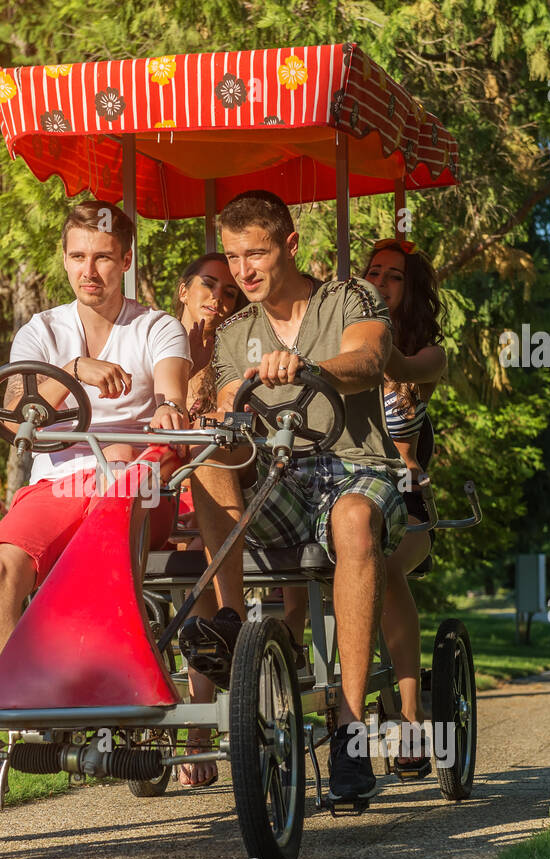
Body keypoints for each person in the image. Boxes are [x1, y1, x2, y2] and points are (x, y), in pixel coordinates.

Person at [0, 200, 192, 813]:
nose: (91, 271)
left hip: (136, 483)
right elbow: (14, 410)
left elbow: (171, 393)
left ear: (126, 260)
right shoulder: (42, 332)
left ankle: (115, 683)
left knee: (114, 514)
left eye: (104, 257)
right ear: (63, 259)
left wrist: (164, 408)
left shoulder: (156, 327)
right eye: (78, 256)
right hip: (59, 484)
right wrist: (73, 370)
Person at [180, 189, 406, 806]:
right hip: (280, 479)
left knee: (356, 519)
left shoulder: (346, 297)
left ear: (290, 245)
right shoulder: (236, 332)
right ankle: (229, 619)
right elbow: (226, 401)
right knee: (211, 447)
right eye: (232, 257)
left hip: (356, 466)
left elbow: (369, 357)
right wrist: (217, 399)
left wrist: (309, 370)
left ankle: (350, 727)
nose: (244, 271)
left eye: (256, 253)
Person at [363, 238, 446, 769]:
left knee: (384, 567)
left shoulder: (427, 356)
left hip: (407, 506)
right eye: (372, 272)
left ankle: (412, 718)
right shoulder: (341, 338)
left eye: (393, 276)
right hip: (345, 495)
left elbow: (394, 367)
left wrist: (366, 341)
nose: (380, 281)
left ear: (409, 289)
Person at [167, 253, 246, 787]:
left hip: (219, 492)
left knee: (201, 584)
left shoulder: (237, 352)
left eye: (230, 293)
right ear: (183, 289)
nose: (218, 300)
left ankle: (198, 732)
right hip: (162, 488)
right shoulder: (157, 343)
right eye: (209, 286)